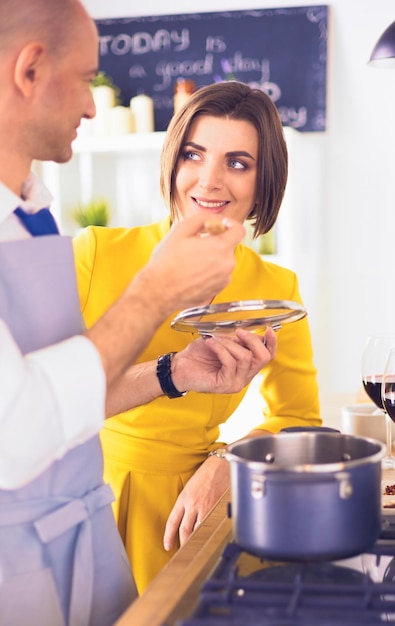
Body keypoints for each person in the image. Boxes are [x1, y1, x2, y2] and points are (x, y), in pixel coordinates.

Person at [0, 3, 276, 625]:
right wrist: (155, 293)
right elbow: (13, 435)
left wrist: (174, 373)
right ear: (30, 70)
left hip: (79, 548)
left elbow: (56, 404)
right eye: (86, 79)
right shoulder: (93, 248)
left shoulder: (32, 217)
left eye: (239, 161)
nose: (95, 107)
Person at [73, 80, 322, 592]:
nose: (209, 181)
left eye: (237, 162)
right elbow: (45, 403)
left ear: (263, 180)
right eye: (194, 154)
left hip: (191, 516)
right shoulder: (95, 253)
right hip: (85, 502)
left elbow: (300, 419)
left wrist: (229, 460)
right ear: (173, 159)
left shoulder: (275, 289)